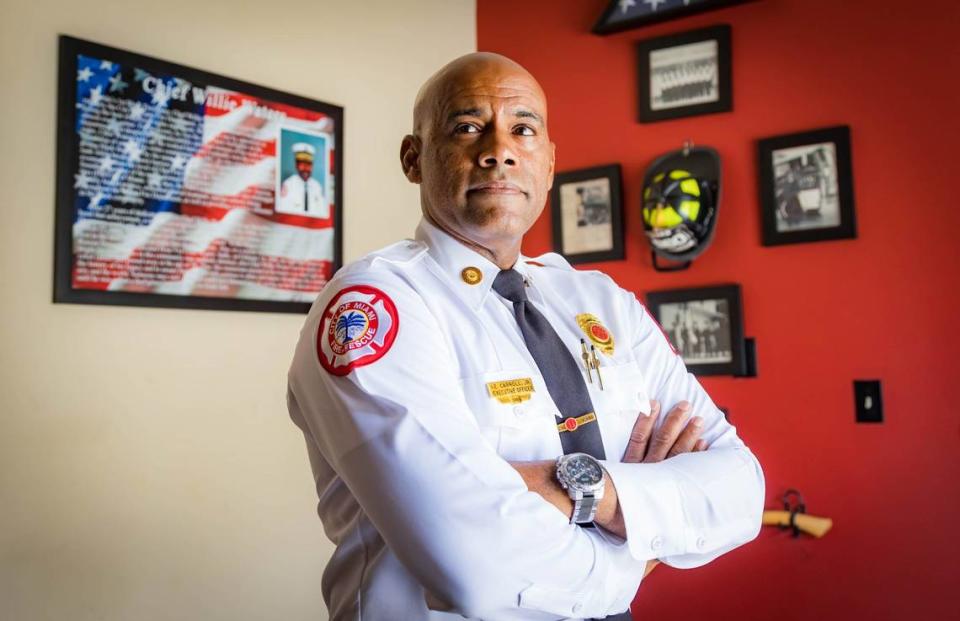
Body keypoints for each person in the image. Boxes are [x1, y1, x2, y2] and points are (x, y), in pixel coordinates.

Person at [287, 52, 764, 621]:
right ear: (413, 160)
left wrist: (593, 493)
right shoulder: (374, 307)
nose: (499, 149)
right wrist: (645, 536)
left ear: (549, 163)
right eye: (467, 127)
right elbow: (479, 568)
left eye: (523, 128)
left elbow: (741, 490)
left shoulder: (601, 301)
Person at [277, 142, 328, 218]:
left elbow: (323, 212)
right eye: (302, 165)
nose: (305, 169)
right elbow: (283, 213)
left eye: (308, 165)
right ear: (296, 165)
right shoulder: (288, 184)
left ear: (312, 166)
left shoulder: (317, 186)